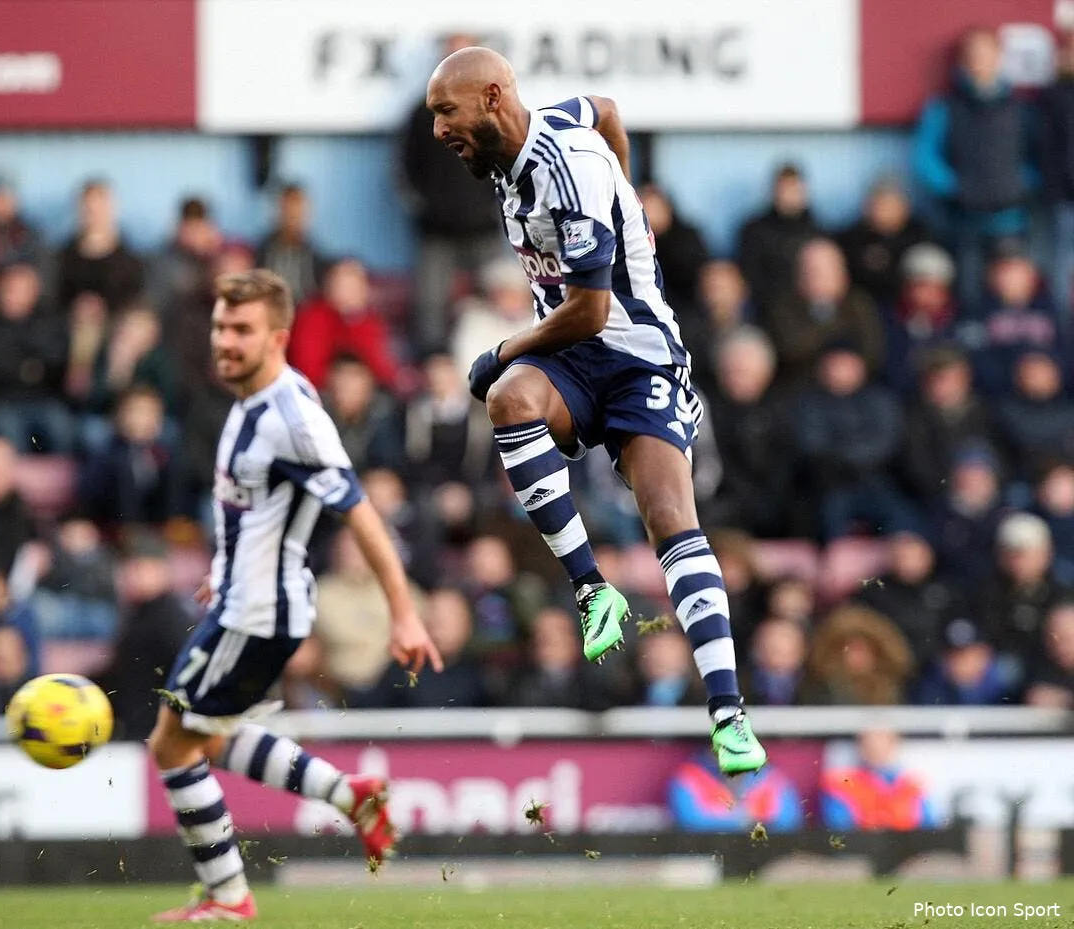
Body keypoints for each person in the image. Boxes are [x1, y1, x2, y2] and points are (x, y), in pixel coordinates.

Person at [425, 47, 766, 776]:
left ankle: (729, 714)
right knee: (511, 399)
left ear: (492, 97)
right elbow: (607, 108)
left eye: (446, 111)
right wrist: (629, 199)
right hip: (573, 360)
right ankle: (592, 591)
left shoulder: (567, 169)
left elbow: (590, 308)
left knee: (670, 521)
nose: (438, 130)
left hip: (637, 356)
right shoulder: (527, 145)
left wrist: (503, 347)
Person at [146, 270, 442, 923]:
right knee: (208, 736)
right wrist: (224, 565)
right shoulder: (250, 400)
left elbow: (360, 512)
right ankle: (351, 794)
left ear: (278, 337)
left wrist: (403, 612)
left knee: (171, 745)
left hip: (258, 610)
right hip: (247, 597)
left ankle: (229, 896)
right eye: (221, 326)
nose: (225, 340)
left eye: (241, 329)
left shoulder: (292, 417)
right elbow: (255, 508)